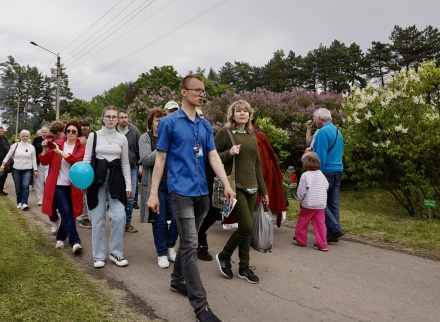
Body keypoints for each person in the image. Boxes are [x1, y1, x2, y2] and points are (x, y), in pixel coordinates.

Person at [147, 75, 234, 322]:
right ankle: (201, 306)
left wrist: (226, 184)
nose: (201, 94)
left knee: (187, 244)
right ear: (183, 92)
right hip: (180, 193)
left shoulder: (205, 126)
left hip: (202, 195)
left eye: (203, 90)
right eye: (196, 90)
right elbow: (161, 159)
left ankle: (176, 280)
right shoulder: (169, 123)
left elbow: (214, 156)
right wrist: (153, 194)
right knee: (191, 246)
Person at [214, 100, 269, 285]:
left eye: (245, 111)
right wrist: (229, 153)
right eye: (238, 111)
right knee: (247, 227)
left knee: (245, 230)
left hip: (252, 186)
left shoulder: (252, 134)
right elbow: (212, 157)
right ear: (232, 114)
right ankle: (224, 255)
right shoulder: (226, 132)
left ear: (250, 115)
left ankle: (244, 267)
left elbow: (257, 164)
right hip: (234, 186)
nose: (242, 114)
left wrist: (264, 190)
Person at [83, 106, 131, 268]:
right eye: (108, 116)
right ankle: (98, 256)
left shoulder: (122, 139)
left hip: (116, 181)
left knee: (119, 216)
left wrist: (128, 185)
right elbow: (87, 159)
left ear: (118, 119)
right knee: (97, 219)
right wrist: (84, 182)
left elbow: (125, 163)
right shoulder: (93, 136)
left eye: (114, 117)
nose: (111, 119)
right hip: (97, 181)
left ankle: (115, 252)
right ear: (102, 118)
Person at [139, 107, 178, 269]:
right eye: (157, 120)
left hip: (173, 184)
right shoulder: (145, 138)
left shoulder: (173, 136)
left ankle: (170, 245)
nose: (161, 123)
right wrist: (163, 145)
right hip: (156, 186)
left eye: (163, 120)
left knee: (178, 218)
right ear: (151, 123)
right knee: (160, 221)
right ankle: (162, 253)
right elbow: (146, 160)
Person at [40, 121, 85, 254]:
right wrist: (44, 148)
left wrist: (60, 152)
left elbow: (77, 160)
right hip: (58, 185)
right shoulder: (57, 144)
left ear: (78, 134)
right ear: (65, 132)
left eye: (74, 131)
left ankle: (60, 238)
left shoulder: (80, 147)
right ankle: (75, 242)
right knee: (65, 212)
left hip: (73, 186)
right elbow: (44, 161)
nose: (70, 133)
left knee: (71, 214)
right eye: (68, 131)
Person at [311, 108, 345, 242]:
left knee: (318, 201)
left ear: (320, 119)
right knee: (333, 202)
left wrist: (317, 172)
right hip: (338, 169)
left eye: (314, 118)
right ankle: (333, 233)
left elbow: (321, 156)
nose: (314, 121)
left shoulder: (322, 132)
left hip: (326, 171)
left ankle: (335, 228)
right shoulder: (337, 131)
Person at [196, 108, 222, 261]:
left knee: (215, 210)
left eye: (201, 115)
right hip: (194, 179)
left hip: (211, 177)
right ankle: (198, 242)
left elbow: (217, 155)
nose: (199, 117)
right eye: (196, 115)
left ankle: (200, 232)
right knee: (197, 211)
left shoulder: (210, 133)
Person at [253, 121, 287, 228]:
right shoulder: (257, 134)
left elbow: (264, 160)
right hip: (258, 174)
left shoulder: (258, 136)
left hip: (263, 174)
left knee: (262, 202)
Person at [293, 152, 329, 251]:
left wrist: (300, 201)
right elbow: (326, 186)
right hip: (320, 203)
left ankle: (301, 239)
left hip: (309, 203)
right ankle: (322, 244)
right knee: (320, 224)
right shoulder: (321, 175)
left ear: (305, 163)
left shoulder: (305, 175)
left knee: (303, 221)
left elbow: (301, 191)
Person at [0, 130, 38, 210]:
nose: (25, 137)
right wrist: (2, 166)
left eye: (26, 136)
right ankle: (19, 202)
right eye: (23, 136)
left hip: (27, 169)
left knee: (25, 185)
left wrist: (35, 170)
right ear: (20, 137)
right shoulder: (15, 145)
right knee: (18, 187)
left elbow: (34, 159)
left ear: (29, 137)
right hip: (16, 169)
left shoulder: (31, 147)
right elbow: (7, 156)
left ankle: (24, 203)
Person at [116, 109, 141, 233]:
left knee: (130, 197)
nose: (124, 119)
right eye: (121, 117)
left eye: (126, 117)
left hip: (132, 168)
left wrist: (140, 164)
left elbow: (139, 149)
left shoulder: (134, 131)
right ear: (117, 118)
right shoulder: (113, 131)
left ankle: (127, 223)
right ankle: (118, 221)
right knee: (117, 195)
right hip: (116, 169)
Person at [47, 121, 66, 234]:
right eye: (54, 134)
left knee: (66, 202)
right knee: (50, 199)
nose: (57, 136)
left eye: (58, 134)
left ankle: (65, 226)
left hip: (65, 173)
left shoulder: (68, 139)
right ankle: (54, 220)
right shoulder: (50, 141)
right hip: (52, 173)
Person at [77, 128, 92, 229]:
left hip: (87, 174)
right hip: (80, 174)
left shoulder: (88, 147)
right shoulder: (79, 147)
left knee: (85, 197)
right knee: (82, 197)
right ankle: (83, 217)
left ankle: (85, 216)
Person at [32, 126, 50, 205]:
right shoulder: (37, 140)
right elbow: (33, 151)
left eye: (46, 132)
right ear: (41, 132)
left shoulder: (51, 140)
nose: (44, 133)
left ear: (48, 132)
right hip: (39, 163)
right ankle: (40, 199)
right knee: (39, 182)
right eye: (43, 132)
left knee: (48, 181)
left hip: (49, 164)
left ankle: (48, 199)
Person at [0, 126, 10, 196]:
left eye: (1, 131)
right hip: (0, 160)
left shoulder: (5, 139)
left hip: (5, 160)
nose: (0, 132)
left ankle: (1, 190)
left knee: (4, 175)